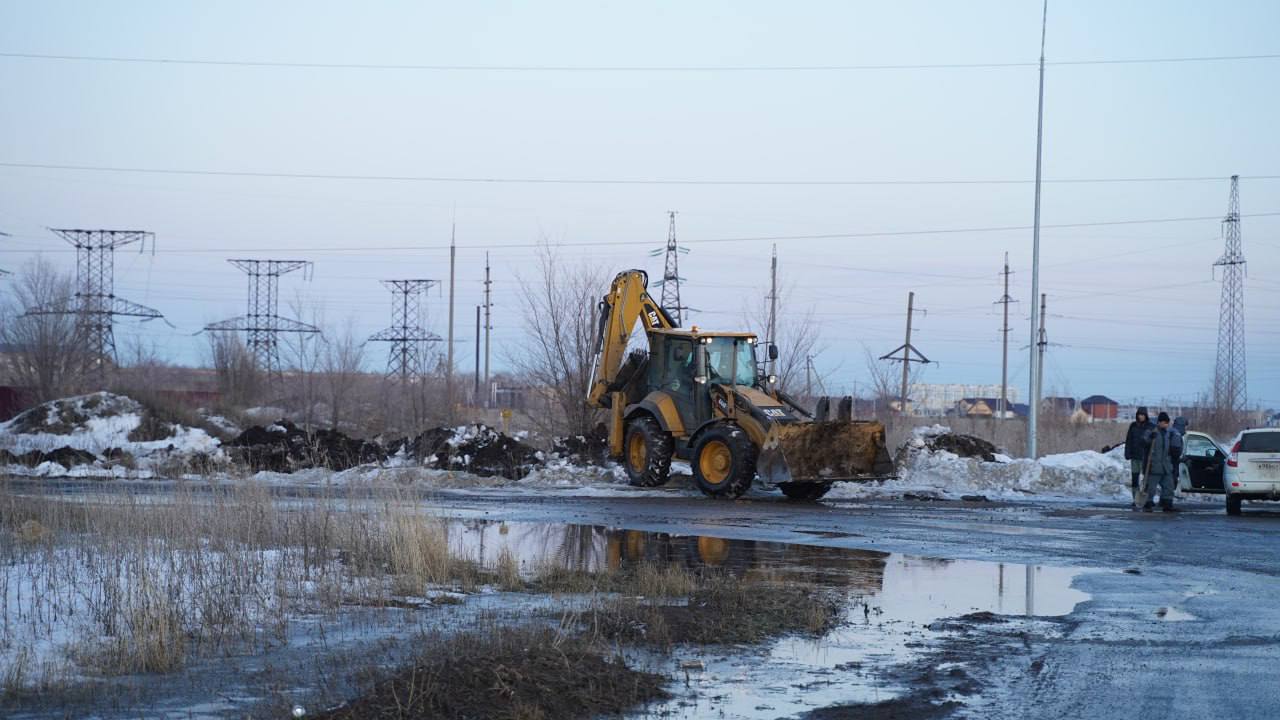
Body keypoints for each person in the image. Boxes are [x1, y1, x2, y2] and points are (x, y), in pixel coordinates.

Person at [1143, 412, 1181, 513]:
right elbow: (1144, 441)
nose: (1166, 425)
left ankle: (1167, 504)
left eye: (1167, 423)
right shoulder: (1152, 431)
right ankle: (1147, 503)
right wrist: (1151, 437)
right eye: (1164, 422)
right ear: (1159, 422)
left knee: (1169, 486)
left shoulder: (1168, 433)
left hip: (1166, 465)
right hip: (1154, 465)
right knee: (1151, 487)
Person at [1124, 407, 1155, 509]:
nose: (1140, 416)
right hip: (1135, 456)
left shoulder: (1150, 426)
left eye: (1142, 415)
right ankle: (1135, 499)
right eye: (1139, 414)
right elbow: (1128, 440)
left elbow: (1153, 441)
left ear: (1146, 416)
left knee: (1145, 479)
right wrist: (1127, 452)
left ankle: (1146, 499)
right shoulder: (1133, 426)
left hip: (1145, 456)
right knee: (1135, 478)